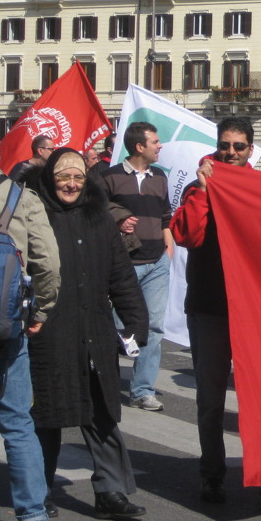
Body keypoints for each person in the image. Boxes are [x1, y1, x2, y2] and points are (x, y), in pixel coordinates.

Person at [171, 117, 261, 511]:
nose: (230, 152)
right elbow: (187, 237)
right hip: (209, 309)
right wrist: (201, 191)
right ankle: (212, 475)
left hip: (256, 313)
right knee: (211, 401)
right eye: (224, 145)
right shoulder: (197, 187)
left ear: (251, 150)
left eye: (238, 146)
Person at [25, 149, 149, 521]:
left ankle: (110, 491)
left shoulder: (99, 217)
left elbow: (121, 276)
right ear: (50, 178)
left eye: (78, 177)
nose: (72, 184)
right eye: (64, 177)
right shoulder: (33, 214)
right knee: (46, 415)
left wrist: (134, 324)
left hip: (94, 329)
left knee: (102, 413)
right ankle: (39, 491)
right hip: (47, 332)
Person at [0, 128, 61, 521]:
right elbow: (48, 262)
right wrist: (41, 311)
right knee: (16, 422)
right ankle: (32, 518)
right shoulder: (20, 196)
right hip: (5, 324)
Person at [101, 122, 172, 413]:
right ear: (139, 146)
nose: (160, 146)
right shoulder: (110, 176)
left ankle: (142, 390)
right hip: (123, 264)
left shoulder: (161, 177)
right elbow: (94, 211)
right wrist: (117, 218)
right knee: (118, 327)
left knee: (153, 327)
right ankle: (104, 384)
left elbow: (166, 216)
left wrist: (169, 249)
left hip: (157, 262)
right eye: (155, 142)